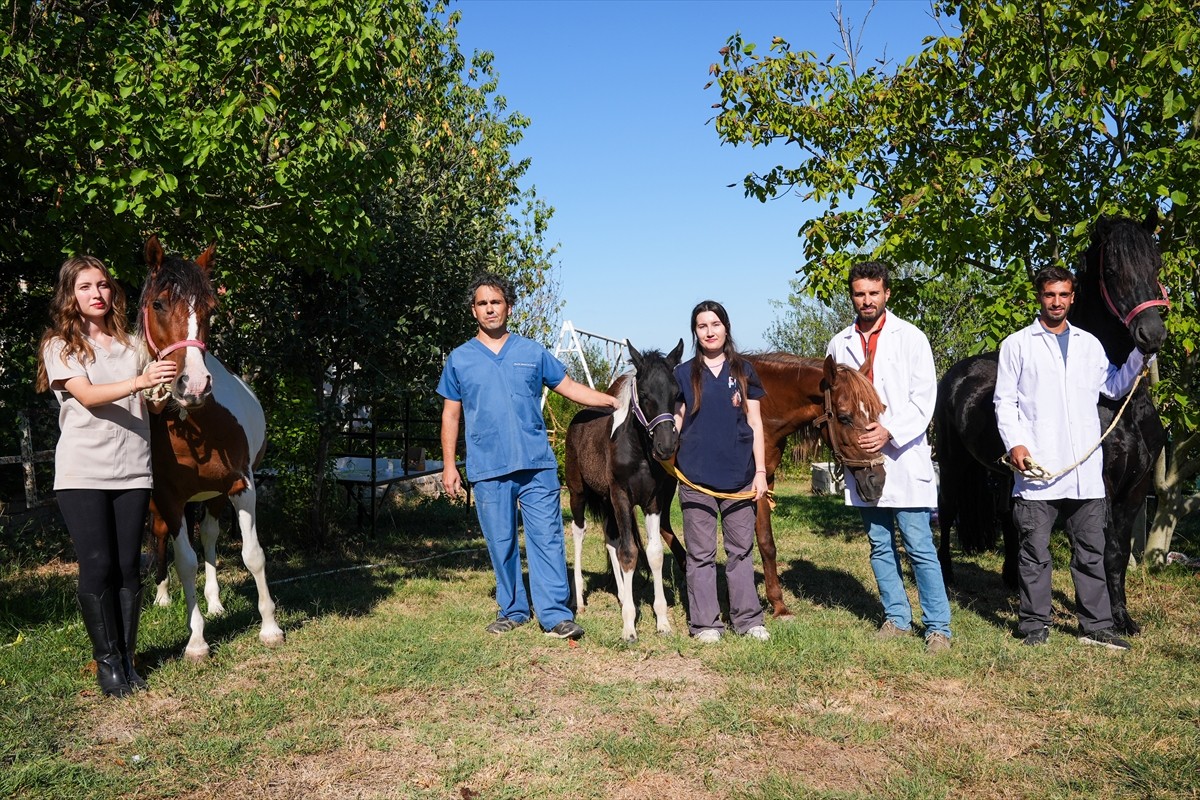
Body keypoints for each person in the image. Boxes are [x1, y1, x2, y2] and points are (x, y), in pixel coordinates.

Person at [438, 273, 618, 640]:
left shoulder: (532, 352)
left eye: (497, 302)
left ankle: (554, 614)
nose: (490, 309)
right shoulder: (459, 360)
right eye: (483, 303)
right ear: (474, 311)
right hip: (488, 468)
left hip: (536, 465)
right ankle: (513, 610)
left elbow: (570, 388)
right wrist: (448, 466)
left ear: (508, 306)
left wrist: (614, 401)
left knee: (547, 538)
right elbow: (451, 414)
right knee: (501, 542)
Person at [36, 255, 177, 697]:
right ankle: (107, 664)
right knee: (98, 565)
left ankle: (128, 658)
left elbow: (149, 406)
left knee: (127, 567)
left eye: (103, 285)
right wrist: (140, 382)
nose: (97, 294)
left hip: (134, 469)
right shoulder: (60, 345)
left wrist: (160, 387)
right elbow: (90, 396)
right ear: (70, 296)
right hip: (83, 471)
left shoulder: (134, 346)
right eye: (85, 287)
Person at [994, 266, 1147, 650]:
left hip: (1084, 469)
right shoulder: (1017, 344)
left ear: (1073, 297)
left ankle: (1096, 627)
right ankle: (1034, 626)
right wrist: (1016, 444)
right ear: (1039, 297)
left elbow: (1111, 387)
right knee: (1035, 552)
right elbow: (1004, 401)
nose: (1057, 302)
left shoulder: (1089, 344)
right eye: (1050, 295)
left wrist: (1139, 356)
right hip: (1037, 468)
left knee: (1091, 551)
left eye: (1063, 295)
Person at [826, 261, 952, 654]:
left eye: (873, 293)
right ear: (852, 295)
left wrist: (889, 430)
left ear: (887, 294)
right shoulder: (838, 344)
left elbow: (924, 398)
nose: (867, 300)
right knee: (879, 542)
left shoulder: (911, 338)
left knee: (918, 544)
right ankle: (897, 618)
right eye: (860, 293)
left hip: (903, 455)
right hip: (861, 461)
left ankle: (937, 628)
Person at [672, 300, 770, 643]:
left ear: (725, 328)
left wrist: (760, 473)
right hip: (695, 477)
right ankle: (706, 624)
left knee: (741, 550)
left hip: (740, 476)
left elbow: (755, 422)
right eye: (702, 326)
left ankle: (748, 620)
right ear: (695, 332)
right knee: (700, 555)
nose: (709, 331)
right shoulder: (683, 374)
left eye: (715, 324)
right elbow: (678, 419)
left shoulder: (744, 370)